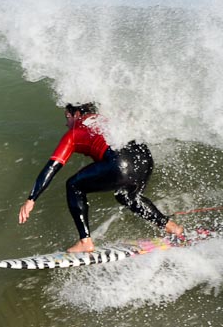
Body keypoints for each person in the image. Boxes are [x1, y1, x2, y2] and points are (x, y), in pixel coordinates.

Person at [18, 102, 183, 253]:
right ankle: (172, 227)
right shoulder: (104, 118)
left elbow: (53, 166)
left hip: (120, 163)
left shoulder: (74, 133)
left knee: (73, 185)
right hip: (144, 158)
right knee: (127, 197)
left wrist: (32, 198)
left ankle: (85, 242)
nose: (66, 123)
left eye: (67, 117)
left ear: (76, 114)